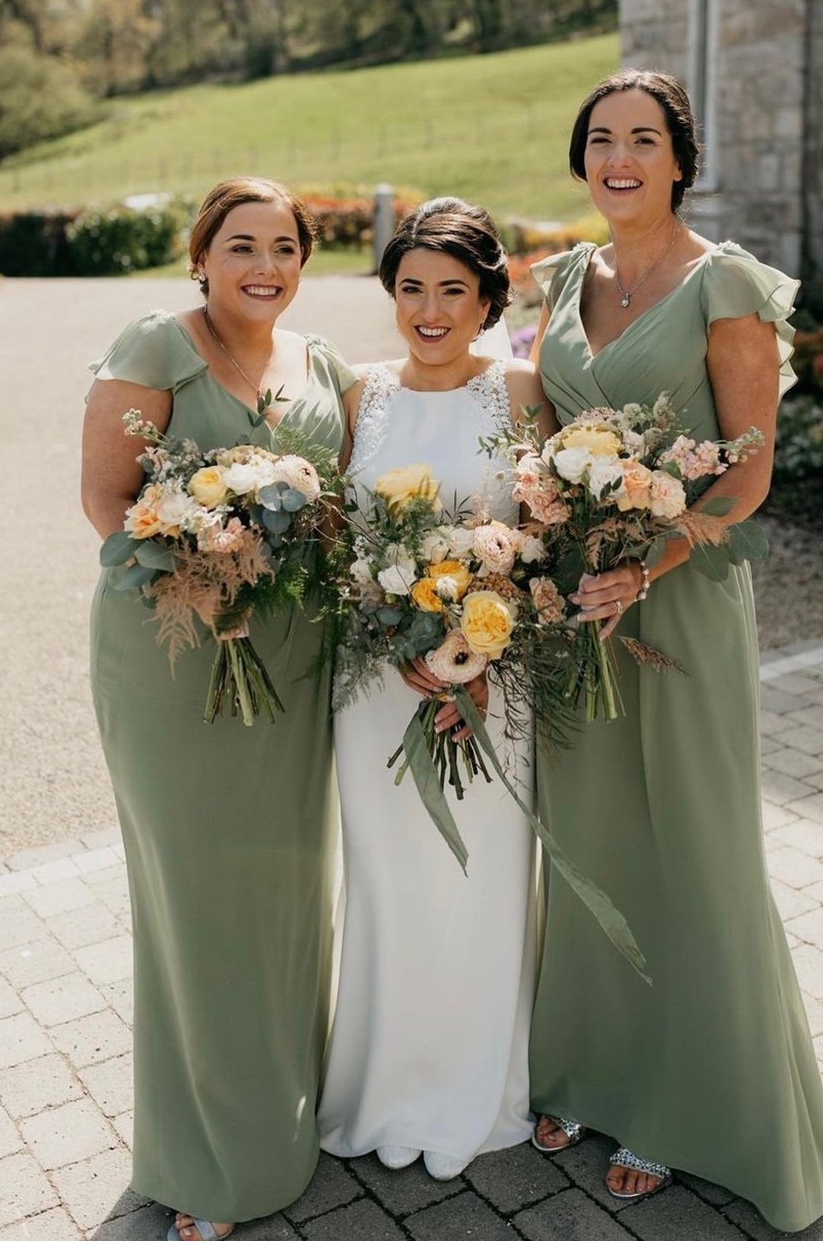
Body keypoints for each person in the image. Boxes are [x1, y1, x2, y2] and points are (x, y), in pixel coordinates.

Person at [526, 72, 823, 1233]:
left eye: (643, 141)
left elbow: (750, 472)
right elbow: (531, 433)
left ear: (679, 160)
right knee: (592, 837)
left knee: (694, 848)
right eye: (600, 138)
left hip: (680, 598)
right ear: (584, 159)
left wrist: (643, 565)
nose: (620, 158)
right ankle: (580, 1070)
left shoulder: (727, 285)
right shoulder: (562, 277)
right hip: (574, 605)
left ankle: (687, 1106)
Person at [81, 177, 355, 1241]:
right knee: (197, 899)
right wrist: (203, 557)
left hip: (295, 655)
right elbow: (108, 501)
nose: (265, 265)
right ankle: (204, 1157)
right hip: (177, 650)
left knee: (287, 886)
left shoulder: (318, 362)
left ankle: (290, 1110)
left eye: (285, 247)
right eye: (243, 245)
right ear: (204, 253)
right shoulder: (157, 344)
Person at [317, 197, 554, 1181]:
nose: (428, 307)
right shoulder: (361, 394)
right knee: (390, 877)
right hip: (374, 677)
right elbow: (338, 530)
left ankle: (473, 1084)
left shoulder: (521, 391)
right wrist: (386, 621)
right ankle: (379, 1081)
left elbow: (543, 527)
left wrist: (479, 635)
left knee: (475, 876)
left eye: (452, 289)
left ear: (489, 296)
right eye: (410, 287)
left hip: (495, 677)